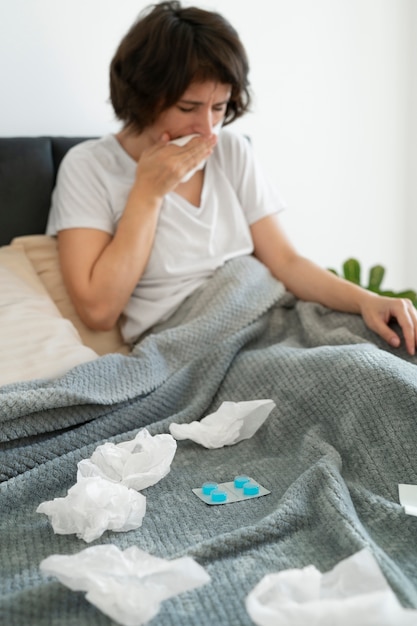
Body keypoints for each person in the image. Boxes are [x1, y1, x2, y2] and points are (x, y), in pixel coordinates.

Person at [47, 0, 417, 355]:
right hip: (195, 344)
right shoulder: (90, 167)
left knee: (394, 354)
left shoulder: (231, 150)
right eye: (188, 108)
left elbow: (286, 263)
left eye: (219, 107)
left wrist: (367, 300)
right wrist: (148, 192)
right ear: (143, 97)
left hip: (271, 316)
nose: (207, 127)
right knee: (358, 377)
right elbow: (99, 311)